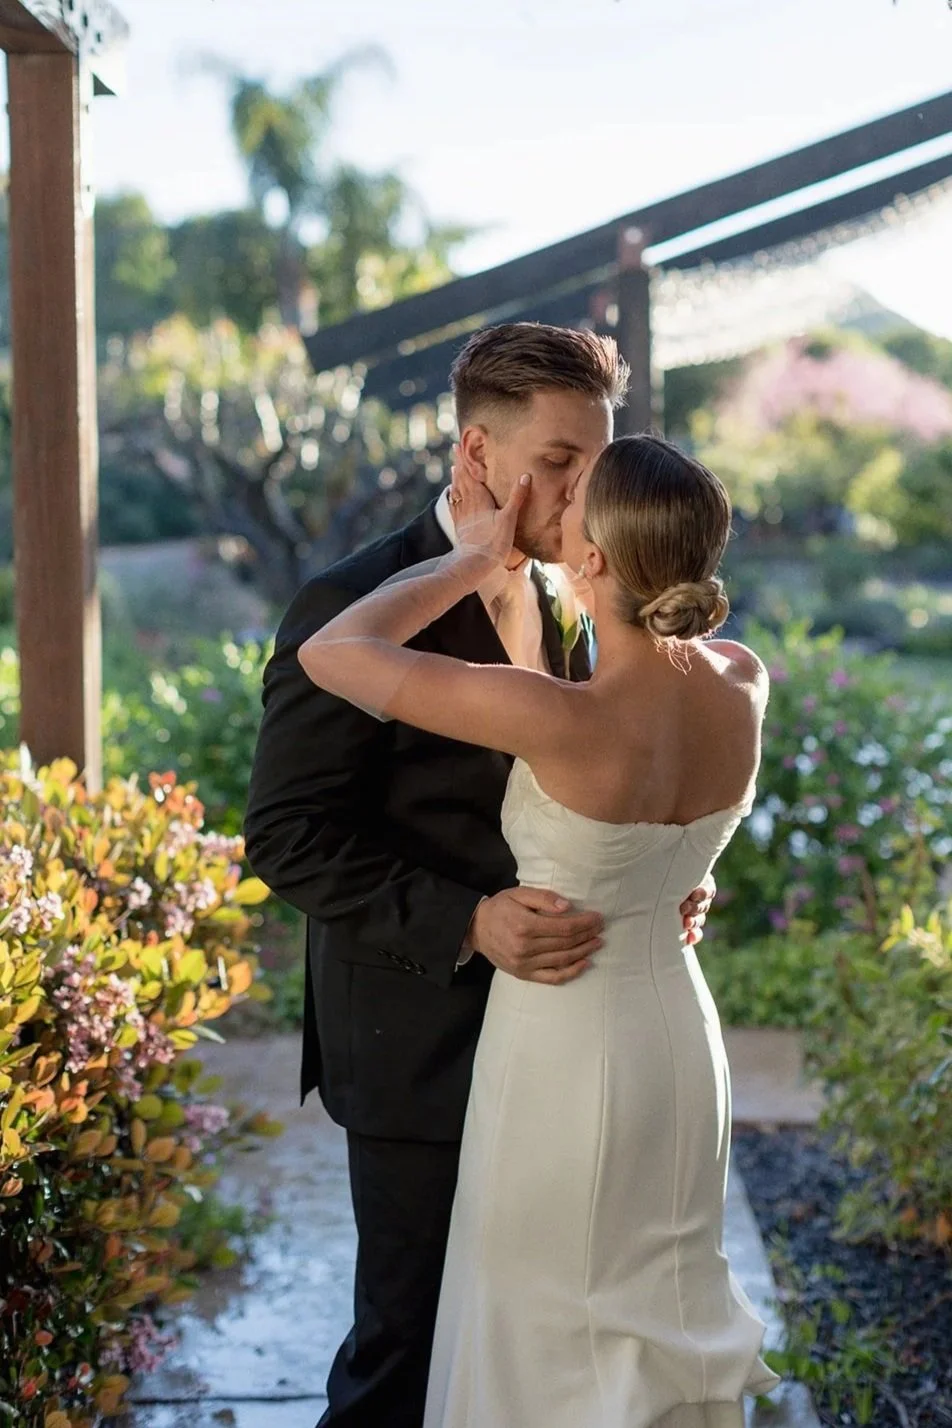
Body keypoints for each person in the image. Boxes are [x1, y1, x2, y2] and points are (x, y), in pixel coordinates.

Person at [243, 323, 717, 1428]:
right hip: (418, 1040)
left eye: (596, 462)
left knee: (524, 1346)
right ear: (477, 455)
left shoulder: (579, 591)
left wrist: (649, 871)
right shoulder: (351, 606)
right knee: (403, 1352)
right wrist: (467, 922)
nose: (581, 490)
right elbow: (287, 832)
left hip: (560, 1043)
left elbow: (587, 784)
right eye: (557, 464)